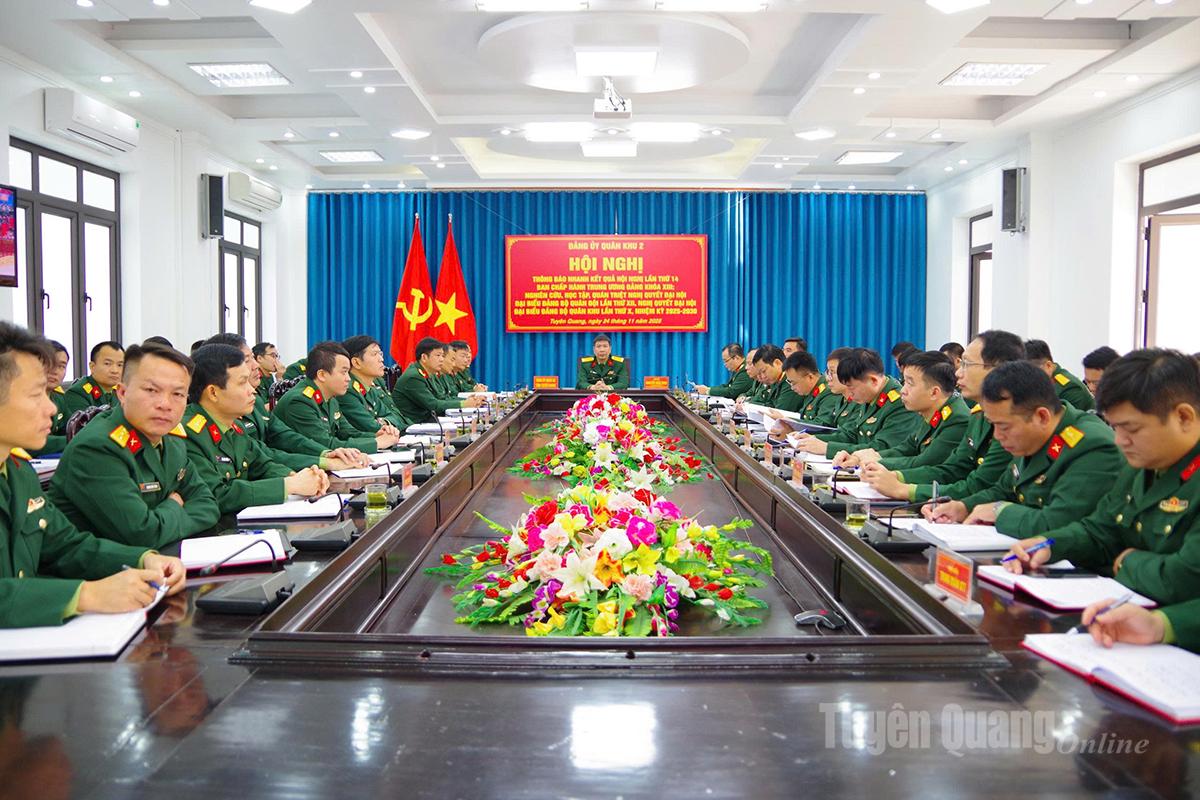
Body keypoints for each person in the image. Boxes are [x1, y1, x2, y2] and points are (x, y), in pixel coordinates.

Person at [0, 322, 186, 628]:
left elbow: (66, 545)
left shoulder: (17, 473)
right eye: (36, 395)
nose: (51, 409)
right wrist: (84, 595)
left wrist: (144, 559)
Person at [1004, 349, 1200, 610]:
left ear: (1183, 417)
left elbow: (1183, 579)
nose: (1120, 441)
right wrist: (1050, 545)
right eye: (1115, 427)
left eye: (1131, 429)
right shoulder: (1143, 464)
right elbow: (1101, 529)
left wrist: (1126, 562)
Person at [49, 343, 220, 550]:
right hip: (104, 575)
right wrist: (174, 505)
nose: (165, 404)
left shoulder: (171, 440)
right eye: (151, 390)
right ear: (122, 393)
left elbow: (209, 505)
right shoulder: (98, 447)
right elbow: (143, 534)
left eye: (178, 394)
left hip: (161, 561)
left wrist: (161, 519)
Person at [924, 360, 1121, 536]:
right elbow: (1003, 490)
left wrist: (999, 511)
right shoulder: (1033, 436)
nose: (998, 437)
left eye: (1004, 427)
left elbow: (1059, 523)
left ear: (1041, 416)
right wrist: (961, 507)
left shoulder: (1091, 446)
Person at [862, 329, 1024, 502]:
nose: (958, 373)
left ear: (997, 370)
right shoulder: (979, 415)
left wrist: (905, 489)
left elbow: (979, 485)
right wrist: (896, 476)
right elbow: (953, 469)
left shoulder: (1012, 420)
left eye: (967, 365)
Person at [182, 344, 329, 514]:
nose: (252, 390)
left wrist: (300, 477)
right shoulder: (189, 433)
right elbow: (217, 494)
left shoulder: (234, 427)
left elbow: (262, 464)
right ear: (213, 393)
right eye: (242, 383)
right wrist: (289, 485)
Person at [207, 334, 367, 472]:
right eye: (248, 360)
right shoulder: (299, 399)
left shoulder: (252, 403)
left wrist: (325, 454)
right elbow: (262, 456)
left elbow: (284, 435)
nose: (256, 365)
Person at [834, 350, 969, 471]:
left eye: (910, 383)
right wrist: (863, 456)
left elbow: (924, 462)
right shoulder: (930, 411)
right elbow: (907, 448)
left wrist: (876, 461)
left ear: (934, 392)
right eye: (904, 382)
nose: (903, 390)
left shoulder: (957, 419)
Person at [274, 342, 399, 453]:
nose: (348, 378)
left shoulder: (330, 397)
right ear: (322, 374)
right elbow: (325, 445)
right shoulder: (299, 401)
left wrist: (377, 435)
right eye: (344, 372)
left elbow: (346, 432)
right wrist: (377, 443)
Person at [792, 348, 919, 456]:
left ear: (873, 381)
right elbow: (851, 434)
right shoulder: (869, 396)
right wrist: (814, 439)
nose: (849, 393)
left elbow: (882, 448)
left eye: (851, 387)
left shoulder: (898, 403)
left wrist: (827, 448)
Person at [392, 337, 484, 424]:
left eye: (443, 356)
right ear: (424, 357)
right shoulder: (413, 377)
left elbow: (443, 398)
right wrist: (463, 403)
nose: (441, 359)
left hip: (430, 420)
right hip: (414, 424)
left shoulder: (429, 373)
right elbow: (433, 405)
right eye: (438, 355)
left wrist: (468, 400)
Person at [340, 335, 409, 432]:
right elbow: (372, 427)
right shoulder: (347, 390)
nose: (381, 359)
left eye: (380, 354)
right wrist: (385, 423)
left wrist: (384, 421)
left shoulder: (370, 387)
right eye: (374, 354)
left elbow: (394, 415)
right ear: (356, 362)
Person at [1024, 338, 1095, 411]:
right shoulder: (1045, 382)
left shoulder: (1070, 388)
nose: (1029, 377)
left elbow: (1068, 420)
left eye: (1032, 372)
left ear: (1049, 366)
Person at [59, 340, 123, 418]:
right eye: (107, 364)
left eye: (120, 365)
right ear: (92, 367)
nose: (115, 370)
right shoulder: (77, 393)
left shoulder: (120, 391)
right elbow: (84, 427)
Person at [780, 350, 842, 426]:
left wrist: (787, 421)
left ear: (810, 377)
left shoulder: (829, 392)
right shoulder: (810, 392)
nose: (792, 388)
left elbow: (821, 425)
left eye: (794, 383)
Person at [33, 340, 71, 456]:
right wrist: (73, 440)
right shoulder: (19, 399)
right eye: (48, 364)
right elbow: (30, 441)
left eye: (61, 366)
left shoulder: (58, 398)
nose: (55, 371)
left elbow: (72, 426)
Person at [748, 345, 803, 411]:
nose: (762, 376)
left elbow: (781, 411)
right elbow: (767, 403)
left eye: (763, 371)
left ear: (777, 363)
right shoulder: (774, 381)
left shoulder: (791, 381)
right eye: (759, 373)